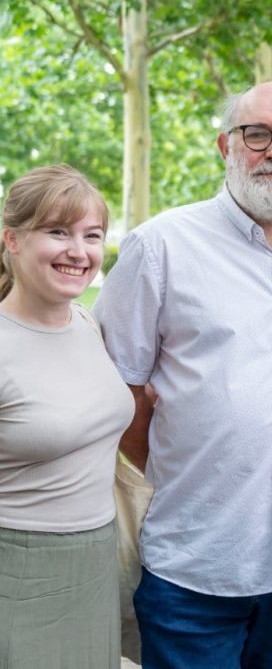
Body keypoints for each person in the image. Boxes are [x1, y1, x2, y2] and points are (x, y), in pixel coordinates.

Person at [93, 81, 272, 668]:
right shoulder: (161, 246)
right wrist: (189, 466)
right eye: (257, 134)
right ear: (226, 145)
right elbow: (120, 390)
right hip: (194, 562)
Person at [0, 164, 135, 668]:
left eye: (92, 235)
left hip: (97, 565)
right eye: (57, 232)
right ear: (11, 240)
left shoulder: (85, 323)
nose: (79, 252)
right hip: (18, 572)